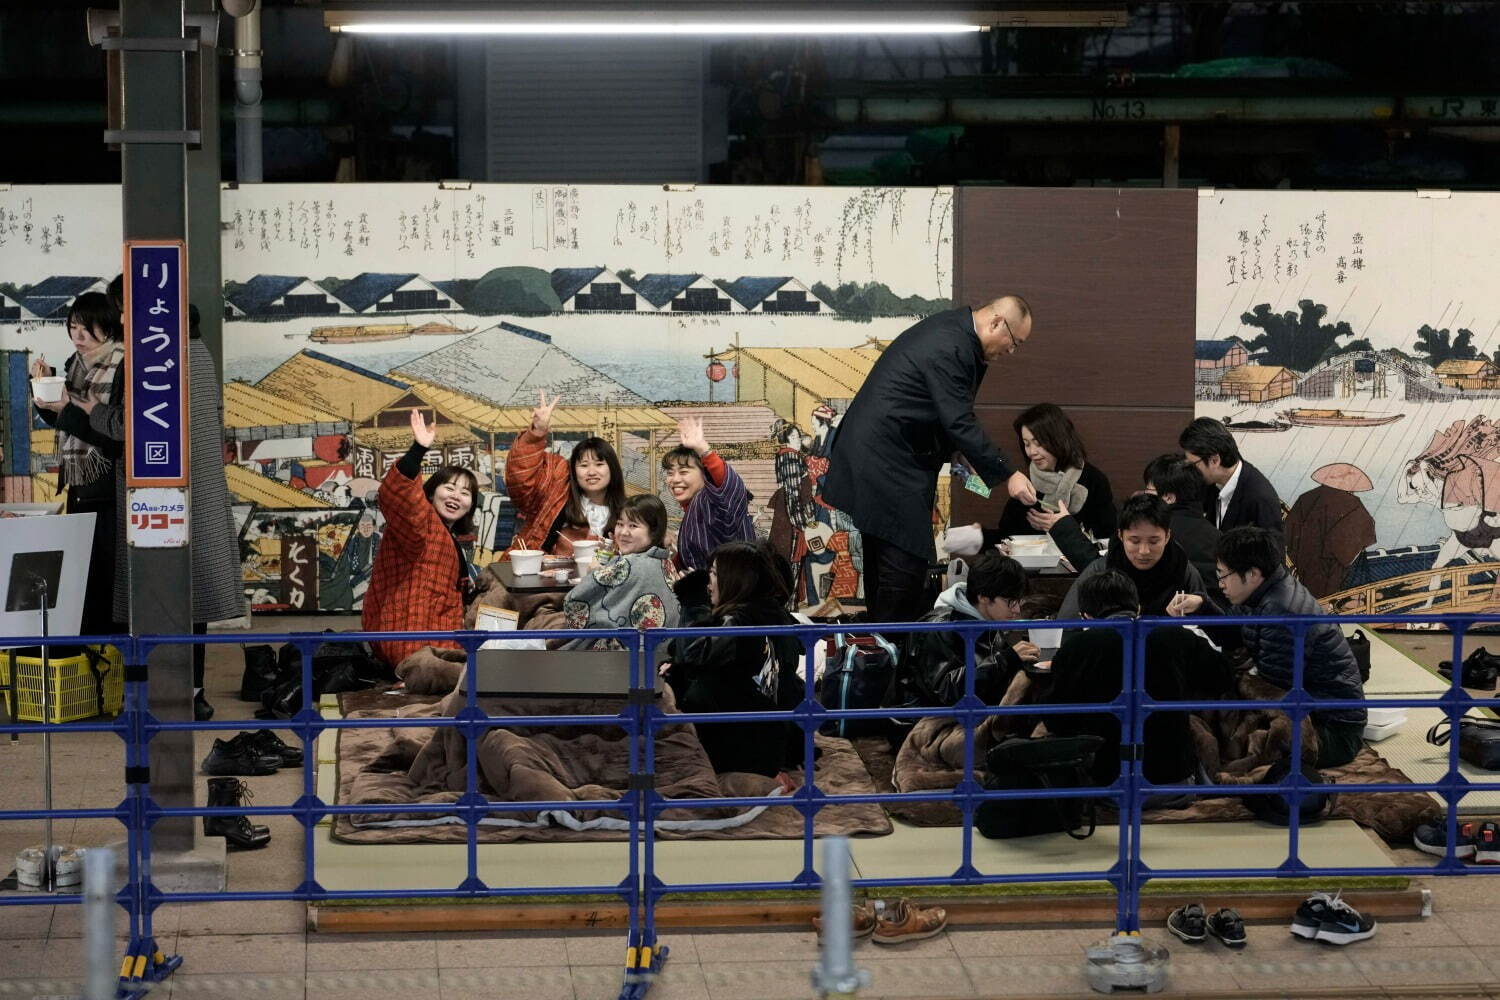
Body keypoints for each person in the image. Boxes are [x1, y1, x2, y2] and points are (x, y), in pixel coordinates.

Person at [74, 299, 244, 720]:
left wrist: (85, 410)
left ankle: (163, 697)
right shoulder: (199, 354)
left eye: (128, 311)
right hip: (194, 495)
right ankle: (191, 692)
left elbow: (129, 429)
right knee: (190, 602)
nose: (122, 321)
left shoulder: (157, 362)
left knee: (158, 601)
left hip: (161, 498)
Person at [822, 295, 1037, 624]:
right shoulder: (952, 346)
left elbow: (942, 416)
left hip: (883, 460)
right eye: (1014, 342)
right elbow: (959, 421)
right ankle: (890, 657)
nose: (1011, 351)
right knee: (904, 571)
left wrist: (964, 460)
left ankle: (884, 656)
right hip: (887, 463)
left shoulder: (952, 334)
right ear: (996, 323)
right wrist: (1009, 474)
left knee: (891, 570)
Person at [1215, 526, 1367, 768]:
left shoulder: (1282, 612)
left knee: (1231, 742)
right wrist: (1201, 607)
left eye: (1223, 575)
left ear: (1252, 574)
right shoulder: (1263, 592)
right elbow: (1231, 631)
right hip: (1315, 713)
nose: (1220, 584)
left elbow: (1275, 691)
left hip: (1331, 731)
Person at [1041, 570, 1199, 788]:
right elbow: (1221, 677)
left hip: (1103, 784)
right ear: (1138, 607)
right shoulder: (1175, 635)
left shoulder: (1076, 648)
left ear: (1085, 615)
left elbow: (1055, 719)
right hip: (1177, 781)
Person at [662, 541, 802, 777]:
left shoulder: (738, 623)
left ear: (735, 579)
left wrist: (694, 602)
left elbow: (692, 654)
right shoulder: (771, 613)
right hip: (767, 742)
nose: (708, 581)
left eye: (715, 573)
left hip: (741, 751)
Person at [30, 292, 124, 637]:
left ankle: (110, 657)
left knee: (106, 579)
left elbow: (112, 437)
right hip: (81, 484)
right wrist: (43, 388)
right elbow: (63, 420)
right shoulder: (75, 364)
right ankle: (93, 657)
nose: (78, 337)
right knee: (87, 576)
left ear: (108, 327)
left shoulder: (121, 364)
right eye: (72, 328)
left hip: (107, 484)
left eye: (87, 329)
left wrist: (66, 410)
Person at [362, 409, 481, 668]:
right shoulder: (421, 522)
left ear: (470, 505)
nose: (455, 496)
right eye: (448, 488)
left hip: (439, 633)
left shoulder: (448, 535)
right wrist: (418, 449)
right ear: (429, 493)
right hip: (413, 638)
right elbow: (400, 497)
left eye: (465, 493)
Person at [890, 551, 1038, 715]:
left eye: (1019, 601)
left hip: (967, 712)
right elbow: (946, 691)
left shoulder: (987, 619)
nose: (1017, 610)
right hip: (922, 720)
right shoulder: (940, 628)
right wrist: (1005, 660)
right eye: (1011, 602)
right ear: (983, 597)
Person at [504, 390, 625, 557]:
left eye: (599, 464)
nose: (591, 472)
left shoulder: (626, 512)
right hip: (541, 577)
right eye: (583, 465)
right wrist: (537, 432)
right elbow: (521, 481)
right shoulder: (555, 492)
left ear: (612, 468)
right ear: (573, 470)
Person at [1058, 494, 1216, 621]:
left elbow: (1208, 627)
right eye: (1134, 541)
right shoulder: (1100, 571)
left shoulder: (1183, 571)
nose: (1144, 551)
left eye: (1154, 541)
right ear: (1120, 535)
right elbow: (1067, 623)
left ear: (1167, 536)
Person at [987, 404, 1116, 544]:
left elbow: (1108, 537)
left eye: (1038, 443)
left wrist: (1065, 528)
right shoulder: (1025, 484)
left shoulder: (1094, 480)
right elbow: (1006, 538)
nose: (1032, 452)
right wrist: (977, 537)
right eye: (1027, 444)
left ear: (1058, 439)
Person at [560, 494, 680, 635]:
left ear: (654, 532)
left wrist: (594, 571)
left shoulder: (630, 564)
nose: (623, 532)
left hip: (628, 651)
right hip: (659, 650)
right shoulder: (665, 560)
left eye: (633, 526)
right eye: (620, 524)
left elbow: (573, 604)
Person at [1179, 417, 1283, 535]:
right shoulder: (1212, 482)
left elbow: (1272, 551)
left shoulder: (1260, 499)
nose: (1191, 471)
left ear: (1214, 460)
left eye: (1193, 464)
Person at [1142, 453, 1221, 594]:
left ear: (1169, 497)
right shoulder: (1219, 537)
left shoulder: (1156, 536)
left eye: (1148, 491)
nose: (1145, 497)